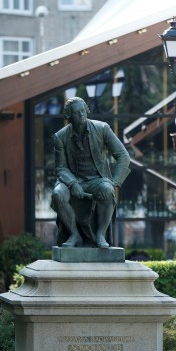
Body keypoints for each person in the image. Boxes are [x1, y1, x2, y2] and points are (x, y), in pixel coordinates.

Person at [51, 97, 130, 248]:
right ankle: (74, 235)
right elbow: (60, 168)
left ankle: (100, 235)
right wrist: (73, 183)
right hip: (71, 180)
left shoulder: (102, 128)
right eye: (76, 113)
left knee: (107, 190)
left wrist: (115, 182)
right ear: (69, 116)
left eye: (83, 111)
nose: (81, 115)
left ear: (87, 110)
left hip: (96, 179)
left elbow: (123, 155)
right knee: (57, 195)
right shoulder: (60, 137)